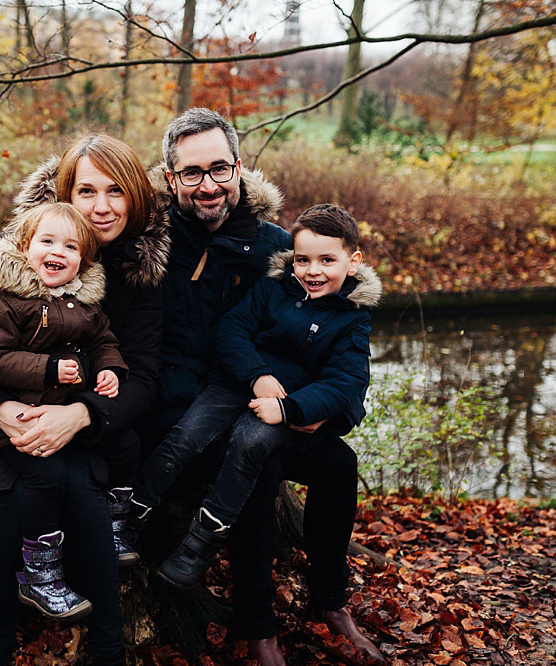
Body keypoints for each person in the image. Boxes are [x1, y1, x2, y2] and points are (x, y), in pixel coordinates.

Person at [129, 108, 384, 665]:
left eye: (220, 168)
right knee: (258, 469)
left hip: (267, 405)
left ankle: (330, 600)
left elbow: (330, 347)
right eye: (192, 172)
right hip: (182, 409)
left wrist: (321, 414)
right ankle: (259, 625)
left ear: (239, 169)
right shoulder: (149, 241)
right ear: (170, 177)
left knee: (337, 464)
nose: (208, 184)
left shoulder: (277, 248)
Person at [0, 135, 166, 665]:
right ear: (64, 191)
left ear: (135, 195)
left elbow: (143, 374)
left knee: (86, 504)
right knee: (9, 503)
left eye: (116, 191)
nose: (101, 206)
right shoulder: (15, 259)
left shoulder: (142, 274)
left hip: (86, 423)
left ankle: (107, 649)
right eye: (86, 190)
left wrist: (82, 413)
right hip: (1, 418)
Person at [132, 203, 381, 593]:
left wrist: (289, 408)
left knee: (249, 449)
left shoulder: (352, 320)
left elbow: (344, 382)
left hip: (279, 411)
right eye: (303, 260)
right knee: (184, 438)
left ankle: (198, 546)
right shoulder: (271, 289)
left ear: (353, 262)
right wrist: (257, 375)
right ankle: (130, 517)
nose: (313, 271)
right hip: (233, 385)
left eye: (326, 260)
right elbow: (232, 331)